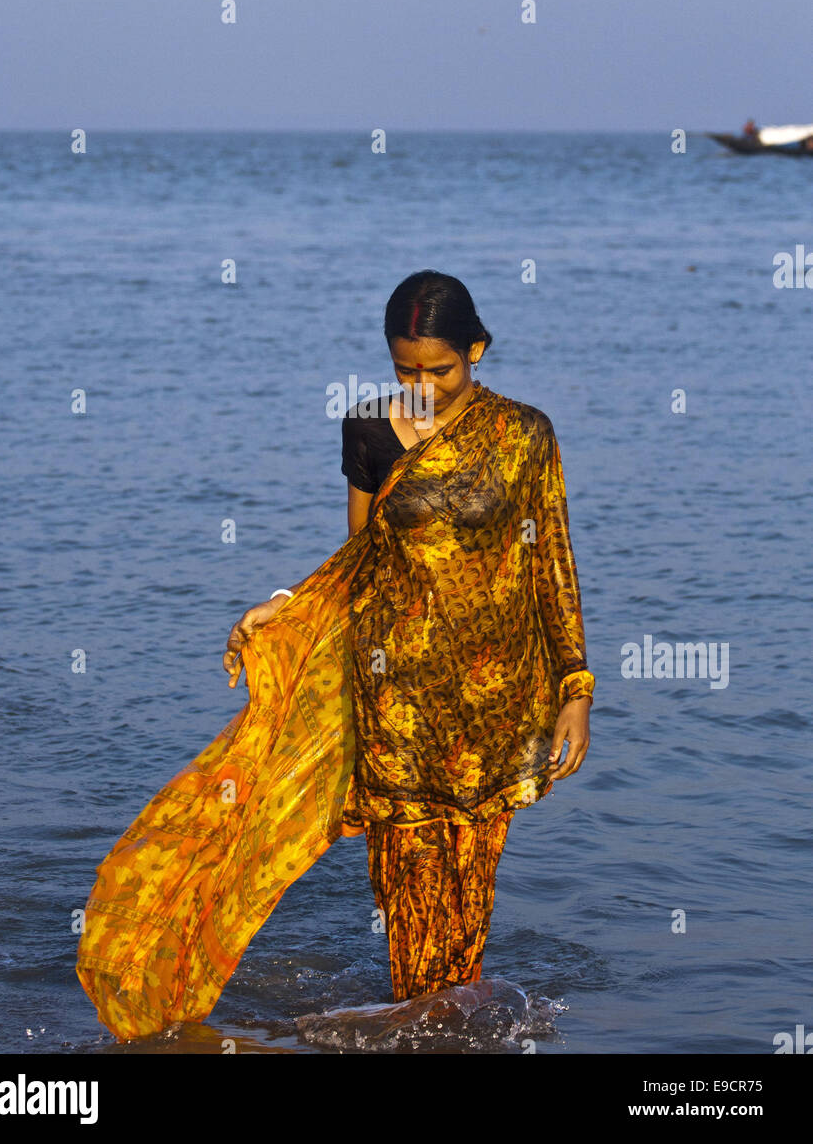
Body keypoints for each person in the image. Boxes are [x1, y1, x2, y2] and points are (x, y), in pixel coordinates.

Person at [75, 270, 595, 1041]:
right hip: (394, 700)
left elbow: (552, 563)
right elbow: (358, 561)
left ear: (476, 350)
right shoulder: (369, 433)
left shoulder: (526, 435)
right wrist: (284, 607)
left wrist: (575, 691)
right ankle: (420, 1022)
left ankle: (441, 1028)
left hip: (496, 704)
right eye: (406, 370)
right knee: (411, 893)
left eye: (441, 370)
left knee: (468, 897)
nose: (425, 386)